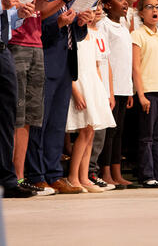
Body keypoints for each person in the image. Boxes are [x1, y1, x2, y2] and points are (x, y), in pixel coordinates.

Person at [26, 0, 93, 194]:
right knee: (39, 121)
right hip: (46, 59)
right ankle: (37, 173)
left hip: (65, 62)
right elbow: (38, 28)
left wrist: (80, 22)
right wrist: (60, 23)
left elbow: (75, 34)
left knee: (56, 123)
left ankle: (55, 173)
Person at [0, 0, 37, 198]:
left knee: (6, 115)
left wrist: (18, 13)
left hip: (2, 50)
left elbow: (6, 21)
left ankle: (7, 178)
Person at [66, 10, 116, 193]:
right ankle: (73, 176)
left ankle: (84, 176)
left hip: (93, 84)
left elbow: (96, 66)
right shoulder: (73, 34)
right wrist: (75, 91)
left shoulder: (93, 34)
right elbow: (68, 64)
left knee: (91, 132)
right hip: (79, 83)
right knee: (84, 131)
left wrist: (101, 92)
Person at [132, 0, 158, 187]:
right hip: (147, 91)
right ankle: (147, 174)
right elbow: (136, 67)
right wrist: (140, 94)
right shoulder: (137, 35)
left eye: (157, 7)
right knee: (146, 137)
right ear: (141, 12)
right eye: (149, 7)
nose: (154, 10)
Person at [97, 0, 134, 188]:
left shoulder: (124, 25)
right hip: (109, 86)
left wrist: (129, 89)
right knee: (109, 131)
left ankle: (116, 172)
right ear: (108, 5)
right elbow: (106, 58)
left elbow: (126, 60)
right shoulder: (104, 25)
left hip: (123, 86)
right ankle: (105, 172)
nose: (125, 2)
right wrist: (109, 88)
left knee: (119, 132)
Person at [87, 2, 116, 190]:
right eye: (93, 6)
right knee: (92, 131)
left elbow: (107, 64)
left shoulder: (101, 32)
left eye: (99, 6)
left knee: (102, 133)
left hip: (105, 88)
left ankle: (93, 170)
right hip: (93, 86)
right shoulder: (86, 33)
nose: (98, 10)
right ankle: (88, 171)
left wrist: (110, 92)